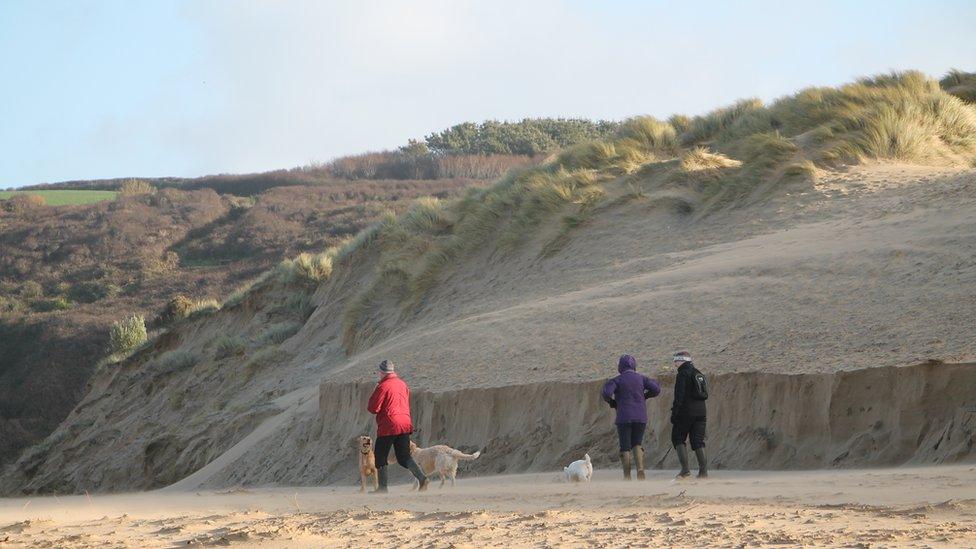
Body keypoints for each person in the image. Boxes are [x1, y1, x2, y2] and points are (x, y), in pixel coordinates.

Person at [367, 360, 429, 492]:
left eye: (380, 372)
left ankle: (383, 488)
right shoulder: (402, 384)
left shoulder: (382, 386)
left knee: (380, 456)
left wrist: (375, 391)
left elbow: (373, 408)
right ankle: (422, 478)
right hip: (405, 423)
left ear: (382, 372)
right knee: (404, 456)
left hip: (389, 424)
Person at [601, 354, 661, 480]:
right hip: (640, 416)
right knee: (637, 443)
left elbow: (606, 392)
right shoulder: (641, 378)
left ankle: (627, 476)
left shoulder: (618, 380)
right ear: (634, 366)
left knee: (625, 446)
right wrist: (646, 396)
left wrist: (612, 402)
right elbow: (656, 389)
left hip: (623, 416)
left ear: (620, 366)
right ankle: (640, 468)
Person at [670, 350, 708, 478]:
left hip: (686, 412)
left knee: (678, 437)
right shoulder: (698, 373)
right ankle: (703, 472)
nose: (674, 363)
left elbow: (679, 396)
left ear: (681, 361)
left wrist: (674, 413)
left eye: (675, 361)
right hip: (701, 412)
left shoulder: (682, 374)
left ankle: (685, 470)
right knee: (698, 441)